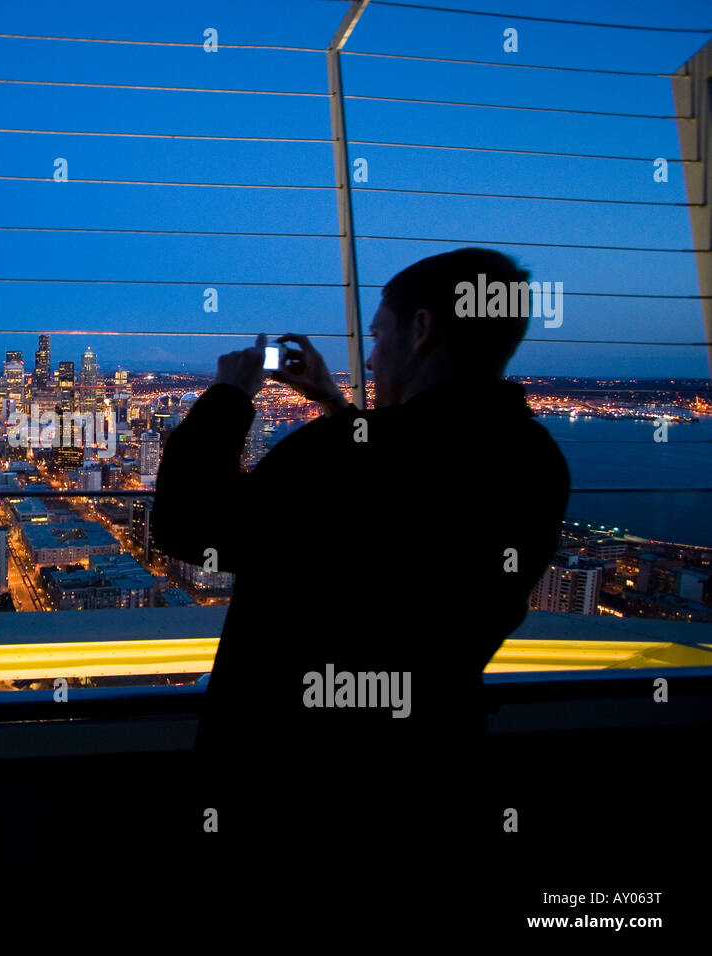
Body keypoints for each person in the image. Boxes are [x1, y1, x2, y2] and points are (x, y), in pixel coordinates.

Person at [152, 248, 570, 890]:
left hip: (285, 781)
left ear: (423, 329)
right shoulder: (537, 462)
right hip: (431, 767)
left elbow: (187, 523)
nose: (371, 357)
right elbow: (400, 493)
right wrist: (333, 406)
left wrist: (228, 398)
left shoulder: (329, 463)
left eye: (377, 335)